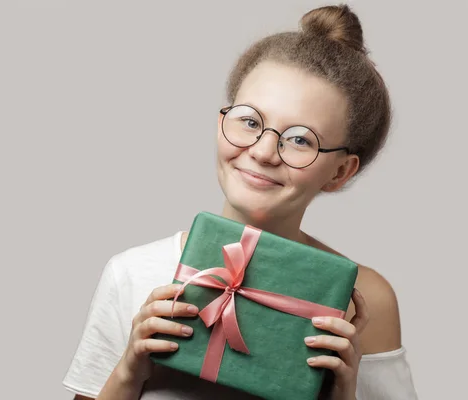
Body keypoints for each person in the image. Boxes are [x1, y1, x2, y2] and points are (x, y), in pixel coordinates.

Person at [62, 4, 418, 400]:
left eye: (300, 139)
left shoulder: (366, 299)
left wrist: (342, 393)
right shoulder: (131, 273)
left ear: (340, 172)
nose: (264, 152)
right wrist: (129, 371)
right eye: (249, 121)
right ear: (221, 123)